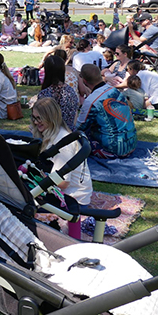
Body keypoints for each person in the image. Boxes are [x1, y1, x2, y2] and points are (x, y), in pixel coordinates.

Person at [30, 97, 93, 239]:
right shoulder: (56, 133)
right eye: (34, 117)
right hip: (74, 193)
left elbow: (62, 182)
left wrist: (40, 178)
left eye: (39, 119)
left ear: (50, 117)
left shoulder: (62, 142)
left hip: (75, 200)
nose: (35, 122)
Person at [76, 64, 136, 159]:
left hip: (114, 149)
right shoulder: (114, 91)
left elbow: (79, 127)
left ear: (84, 81)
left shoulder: (92, 100)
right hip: (131, 142)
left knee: (79, 139)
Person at [37, 55, 80, 130]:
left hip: (51, 134)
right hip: (69, 132)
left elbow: (41, 120)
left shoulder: (45, 94)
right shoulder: (70, 91)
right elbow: (75, 115)